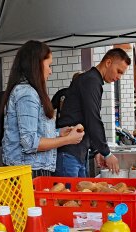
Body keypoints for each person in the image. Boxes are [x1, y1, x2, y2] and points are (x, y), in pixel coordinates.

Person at [0, 40, 84, 178]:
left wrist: (58, 133)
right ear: (36, 64)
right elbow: (30, 143)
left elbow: (32, 135)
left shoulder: (29, 91)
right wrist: (68, 140)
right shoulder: (27, 93)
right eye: (49, 65)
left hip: (31, 169)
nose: (50, 71)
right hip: (28, 172)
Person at [55, 48, 131, 177]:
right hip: (69, 153)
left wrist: (96, 151)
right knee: (69, 197)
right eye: (119, 71)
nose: (119, 77)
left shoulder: (92, 80)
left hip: (78, 152)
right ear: (108, 62)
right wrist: (106, 153)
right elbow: (93, 118)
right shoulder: (91, 80)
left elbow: (85, 118)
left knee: (81, 195)